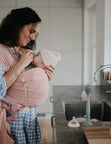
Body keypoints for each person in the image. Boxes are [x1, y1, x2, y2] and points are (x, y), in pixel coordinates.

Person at [0, 7, 55, 144]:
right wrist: (20, 65)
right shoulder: (1, 52)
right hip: (12, 125)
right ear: (16, 26)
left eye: (35, 34)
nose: (32, 38)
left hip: (31, 121)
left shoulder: (25, 51)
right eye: (31, 32)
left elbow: (25, 83)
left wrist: (44, 76)